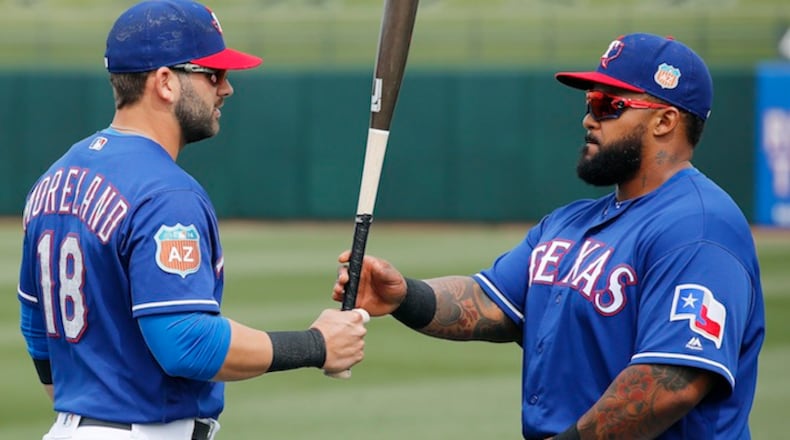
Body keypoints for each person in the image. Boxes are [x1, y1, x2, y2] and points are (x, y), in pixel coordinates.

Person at [333, 33, 765, 439]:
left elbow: (671, 381)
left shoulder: (699, 227)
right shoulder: (570, 222)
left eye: (607, 104)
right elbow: (491, 301)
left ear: (665, 121)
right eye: (589, 102)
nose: (588, 118)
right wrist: (404, 295)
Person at [17, 1, 368, 439]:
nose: (226, 88)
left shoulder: (54, 179)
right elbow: (186, 343)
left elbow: (36, 330)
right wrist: (317, 345)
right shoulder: (167, 192)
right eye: (213, 74)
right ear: (165, 82)